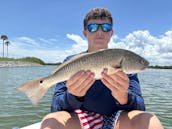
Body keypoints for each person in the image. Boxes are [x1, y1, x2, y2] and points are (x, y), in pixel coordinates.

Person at [41, 7, 163, 129]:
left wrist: (124, 97)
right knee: (50, 123)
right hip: (80, 118)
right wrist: (72, 96)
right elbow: (55, 107)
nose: (100, 32)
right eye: (92, 28)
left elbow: (140, 107)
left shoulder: (126, 67)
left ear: (111, 33)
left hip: (116, 118)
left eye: (106, 27)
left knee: (150, 122)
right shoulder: (70, 62)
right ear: (85, 33)